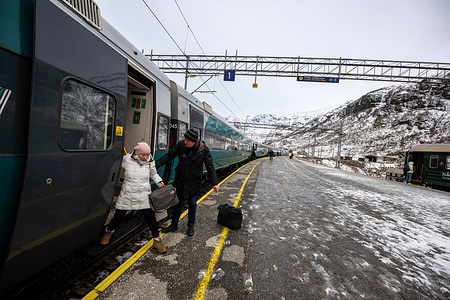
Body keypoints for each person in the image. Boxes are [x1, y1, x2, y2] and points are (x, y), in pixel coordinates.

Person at [100, 142, 167, 254]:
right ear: (137, 153)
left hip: (144, 194)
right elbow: (114, 168)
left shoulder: (149, 161)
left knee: (151, 218)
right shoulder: (126, 160)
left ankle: (157, 241)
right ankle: (108, 232)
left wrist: (159, 181)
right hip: (128, 193)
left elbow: (154, 174)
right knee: (118, 217)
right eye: (143, 155)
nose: (146, 157)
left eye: (147, 155)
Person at [155, 129, 220, 237]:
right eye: (185, 139)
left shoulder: (203, 150)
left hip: (194, 181)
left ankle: (191, 225)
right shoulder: (181, 146)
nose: (185, 142)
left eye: (188, 141)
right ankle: (174, 225)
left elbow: (210, 166)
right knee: (177, 203)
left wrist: (215, 183)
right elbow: (169, 156)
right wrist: (156, 165)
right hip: (180, 179)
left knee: (192, 203)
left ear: (194, 142)